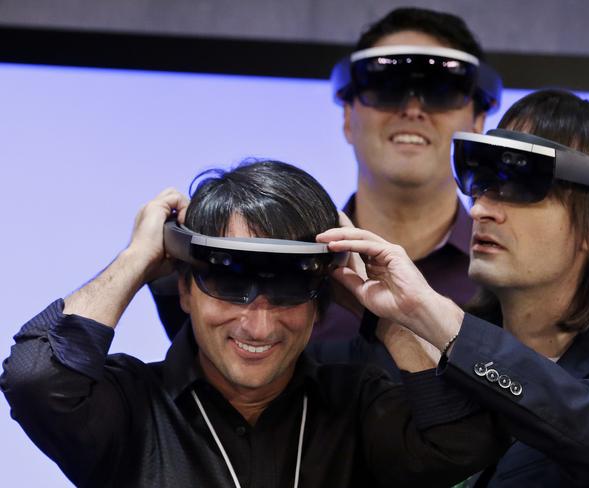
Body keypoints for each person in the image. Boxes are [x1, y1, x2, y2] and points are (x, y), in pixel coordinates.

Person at [1, 160, 507, 488]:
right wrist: (136, 259)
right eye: (228, 283)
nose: (258, 323)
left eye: (287, 289)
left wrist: (385, 314)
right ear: (183, 287)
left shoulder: (356, 402)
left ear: (320, 296)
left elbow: (461, 442)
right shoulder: (132, 405)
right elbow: (34, 380)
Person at [317, 89, 589, 486]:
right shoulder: (414, 357)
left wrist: (441, 322)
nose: (479, 209)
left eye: (522, 186)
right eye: (482, 181)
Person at [151, 7, 502, 378]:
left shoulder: (507, 277)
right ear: (348, 117)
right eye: (386, 87)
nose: (412, 108)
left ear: (478, 122)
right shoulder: (295, 262)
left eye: (440, 91)